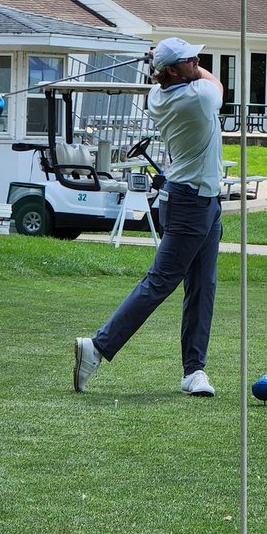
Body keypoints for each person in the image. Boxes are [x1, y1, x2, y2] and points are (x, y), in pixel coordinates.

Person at [74, 36, 224, 397]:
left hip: (201, 201)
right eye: (190, 58)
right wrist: (167, 61)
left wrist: (162, 61)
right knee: (160, 281)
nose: (197, 59)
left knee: (203, 287)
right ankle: (98, 346)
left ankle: (194, 371)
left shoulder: (158, 95)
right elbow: (216, 82)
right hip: (190, 204)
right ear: (173, 69)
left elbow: (183, 73)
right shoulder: (197, 97)